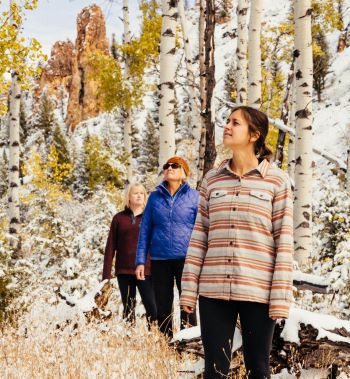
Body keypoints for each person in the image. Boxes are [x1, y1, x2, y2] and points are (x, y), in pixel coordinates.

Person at [180, 106, 293, 379]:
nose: (227, 127)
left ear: (254, 134)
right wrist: (188, 287)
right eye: (227, 121)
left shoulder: (276, 181)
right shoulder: (212, 180)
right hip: (213, 290)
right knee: (215, 371)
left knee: (258, 369)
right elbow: (199, 238)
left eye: (235, 123)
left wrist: (279, 298)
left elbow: (284, 243)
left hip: (258, 290)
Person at [135, 156, 198, 338]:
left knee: (188, 305)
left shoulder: (194, 197)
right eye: (166, 166)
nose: (169, 168)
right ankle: (166, 344)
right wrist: (140, 261)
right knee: (163, 305)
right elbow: (145, 231)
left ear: (184, 173)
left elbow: (202, 230)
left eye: (175, 166)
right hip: (159, 259)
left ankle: (190, 343)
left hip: (186, 260)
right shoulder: (154, 197)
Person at [102, 183, 157, 326]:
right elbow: (110, 247)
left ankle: (156, 337)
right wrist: (106, 276)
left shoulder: (151, 218)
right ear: (128, 197)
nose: (139, 196)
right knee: (128, 307)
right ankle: (129, 337)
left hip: (146, 269)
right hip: (124, 270)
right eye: (135, 193)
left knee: (152, 306)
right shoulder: (119, 218)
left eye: (142, 193)